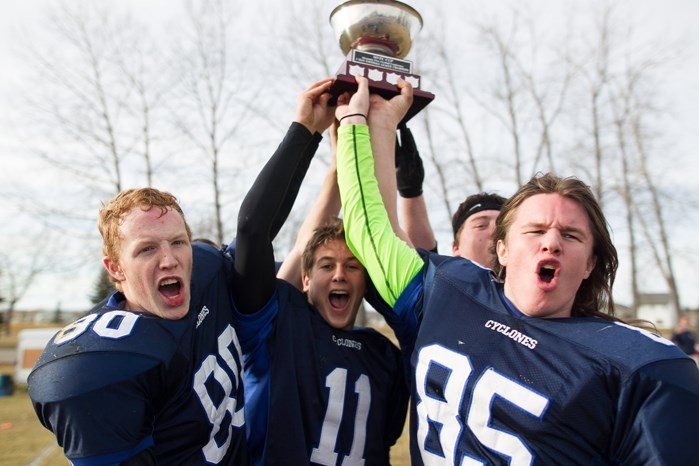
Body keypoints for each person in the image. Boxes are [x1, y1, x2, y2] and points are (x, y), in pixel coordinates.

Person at [334, 76, 699, 464]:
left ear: (591, 263)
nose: (552, 242)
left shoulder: (641, 367)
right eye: (536, 230)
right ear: (502, 250)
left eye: (571, 236)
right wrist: (364, 123)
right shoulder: (446, 290)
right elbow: (371, 230)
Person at [231, 78, 408, 466]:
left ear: (366, 280)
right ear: (306, 280)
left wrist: (371, 135)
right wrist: (322, 147)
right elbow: (285, 241)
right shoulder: (278, 329)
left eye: (352, 266)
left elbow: (386, 235)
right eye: (326, 266)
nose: (340, 275)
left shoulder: (384, 355)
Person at [28, 188, 248, 465]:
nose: (169, 260)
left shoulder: (207, 274)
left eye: (178, 242)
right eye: (147, 248)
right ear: (116, 269)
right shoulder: (100, 362)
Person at [451, 191, 506, 266]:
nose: (495, 232)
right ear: (456, 248)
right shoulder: (436, 275)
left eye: (503, 226)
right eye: (481, 225)